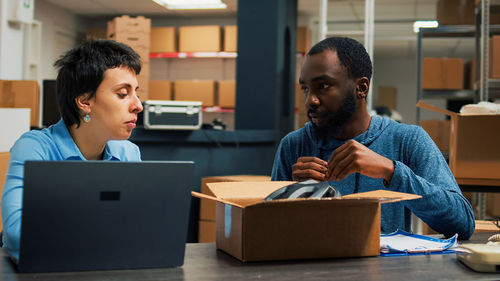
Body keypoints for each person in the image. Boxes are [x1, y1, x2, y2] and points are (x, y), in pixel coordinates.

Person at [271, 37, 475, 239]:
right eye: (305, 89)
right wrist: (291, 195)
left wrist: (390, 171)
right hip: (311, 270)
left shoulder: (407, 140)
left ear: (361, 87)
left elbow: (462, 223)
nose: (310, 101)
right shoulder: (294, 145)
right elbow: (268, 230)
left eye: (323, 86)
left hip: (385, 270)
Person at [1, 39, 144, 259]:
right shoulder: (34, 148)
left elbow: (138, 229)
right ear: (85, 101)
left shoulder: (128, 152)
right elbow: (17, 234)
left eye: (136, 92)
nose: (138, 105)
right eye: (123, 94)